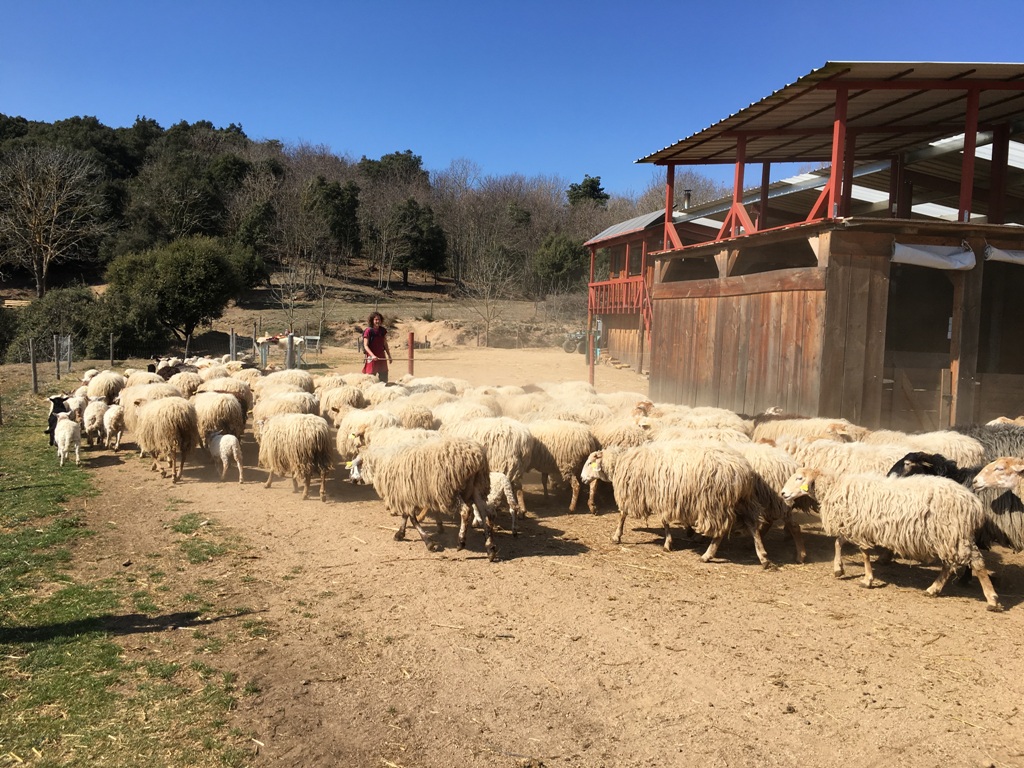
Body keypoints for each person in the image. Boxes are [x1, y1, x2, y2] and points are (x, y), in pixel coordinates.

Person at [362, 311, 393, 382]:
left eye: (379, 319)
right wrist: (372, 356)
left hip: (381, 355)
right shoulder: (368, 331)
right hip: (371, 356)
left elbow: (385, 343)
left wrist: (389, 355)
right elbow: (366, 345)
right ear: (372, 320)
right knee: (370, 377)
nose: (378, 321)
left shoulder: (382, 330)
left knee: (384, 375)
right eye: (376, 319)